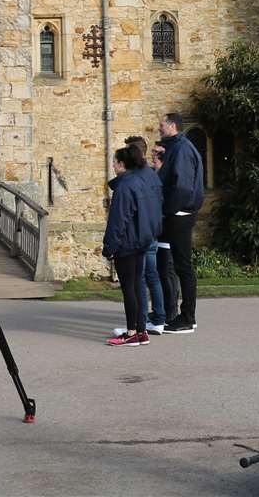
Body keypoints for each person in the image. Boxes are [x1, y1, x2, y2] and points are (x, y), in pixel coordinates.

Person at [102, 144, 163, 347]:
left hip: (128, 243)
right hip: (142, 241)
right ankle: (140, 330)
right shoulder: (141, 182)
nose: (113, 165)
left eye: (114, 162)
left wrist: (109, 247)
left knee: (130, 288)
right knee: (137, 285)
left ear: (121, 164)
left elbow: (118, 220)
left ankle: (131, 332)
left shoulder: (125, 186)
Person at [156, 113, 204, 334]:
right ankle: (182, 315)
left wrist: (169, 210)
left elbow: (183, 186)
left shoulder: (182, 149)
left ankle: (187, 317)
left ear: (172, 125)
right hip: (178, 212)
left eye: (162, 125)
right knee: (178, 264)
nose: (159, 128)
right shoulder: (175, 147)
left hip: (181, 214)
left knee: (183, 265)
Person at [123, 136, 166, 335]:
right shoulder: (151, 175)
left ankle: (141, 324)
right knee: (152, 276)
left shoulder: (137, 177)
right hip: (151, 232)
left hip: (142, 234)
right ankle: (157, 317)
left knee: (139, 278)